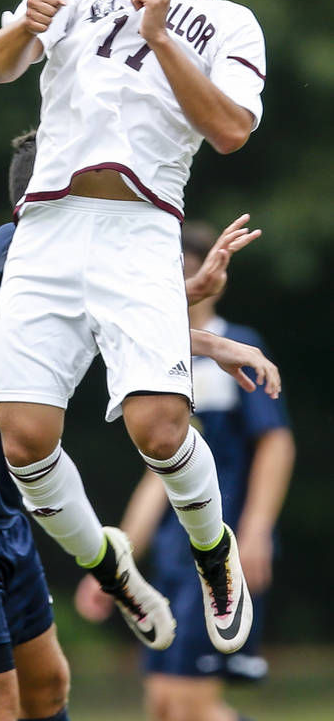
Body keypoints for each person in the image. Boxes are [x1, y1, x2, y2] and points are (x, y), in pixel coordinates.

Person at [0, 0, 268, 658]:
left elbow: (233, 129)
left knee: (158, 424)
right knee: (23, 437)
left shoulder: (230, 22)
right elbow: (1, 70)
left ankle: (214, 552)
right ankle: (113, 565)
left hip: (142, 228)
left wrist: (164, 37)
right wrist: (20, 28)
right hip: (48, 225)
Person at [0, 134, 281, 721]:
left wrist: (185, 306)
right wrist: (211, 339)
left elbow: (115, 332)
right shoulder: (17, 249)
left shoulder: (62, 280)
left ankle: (108, 558)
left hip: (3, 518)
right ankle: (107, 558)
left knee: (47, 688)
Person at [75, 221, 295, 721]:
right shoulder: (158, 360)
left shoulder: (239, 344)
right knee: (161, 705)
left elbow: (276, 443)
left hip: (224, 551)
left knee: (191, 706)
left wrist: (258, 528)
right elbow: (162, 473)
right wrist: (118, 563)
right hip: (175, 556)